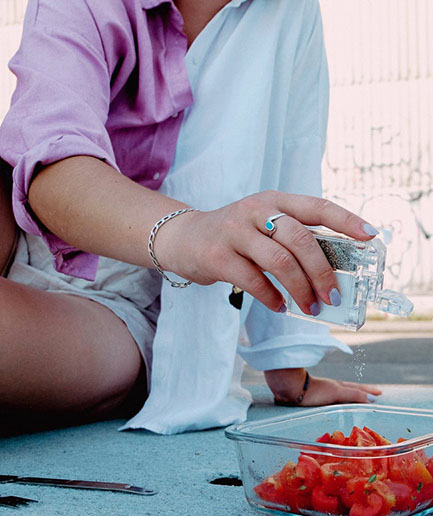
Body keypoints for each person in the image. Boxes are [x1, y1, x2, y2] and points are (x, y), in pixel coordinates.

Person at [0, 0, 381, 436]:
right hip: (23, 223)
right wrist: (189, 232)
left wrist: (288, 367)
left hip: (129, 305)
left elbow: (291, 157)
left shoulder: (288, 11)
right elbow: (50, 159)